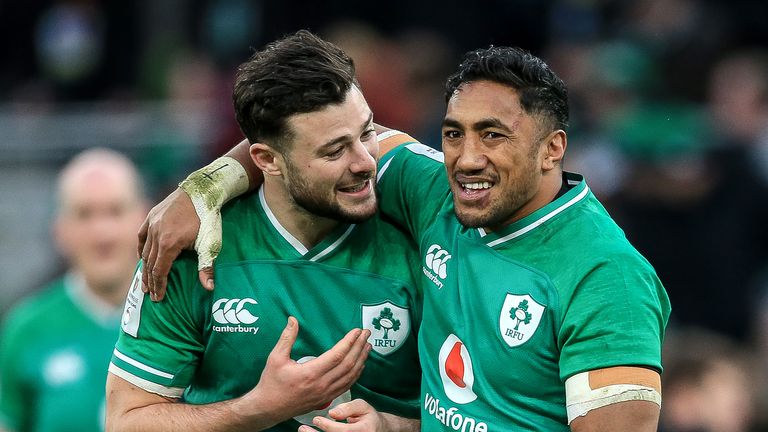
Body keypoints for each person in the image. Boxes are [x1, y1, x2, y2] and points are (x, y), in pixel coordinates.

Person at [140, 42, 670, 431]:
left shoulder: (607, 278)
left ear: (553, 149)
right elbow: (304, 142)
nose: (467, 158)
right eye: (453, 133)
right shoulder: (438, 193)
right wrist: (203, 189)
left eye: (493, 135)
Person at [105, 30, 422, 432]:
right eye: (334, 150)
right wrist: (257, 408)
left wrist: (392, 427)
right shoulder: (196, 248)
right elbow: (126, 422)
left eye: (367, 132)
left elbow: (489, 409)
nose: (365, 162)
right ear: (266, 160)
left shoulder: (419, 231)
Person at [0, 149, 148, 432]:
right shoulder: (26, 328)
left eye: (115, 211)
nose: (102, 232)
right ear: (59, 229)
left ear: (145, 218)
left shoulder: (185, 314)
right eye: (84, 214)